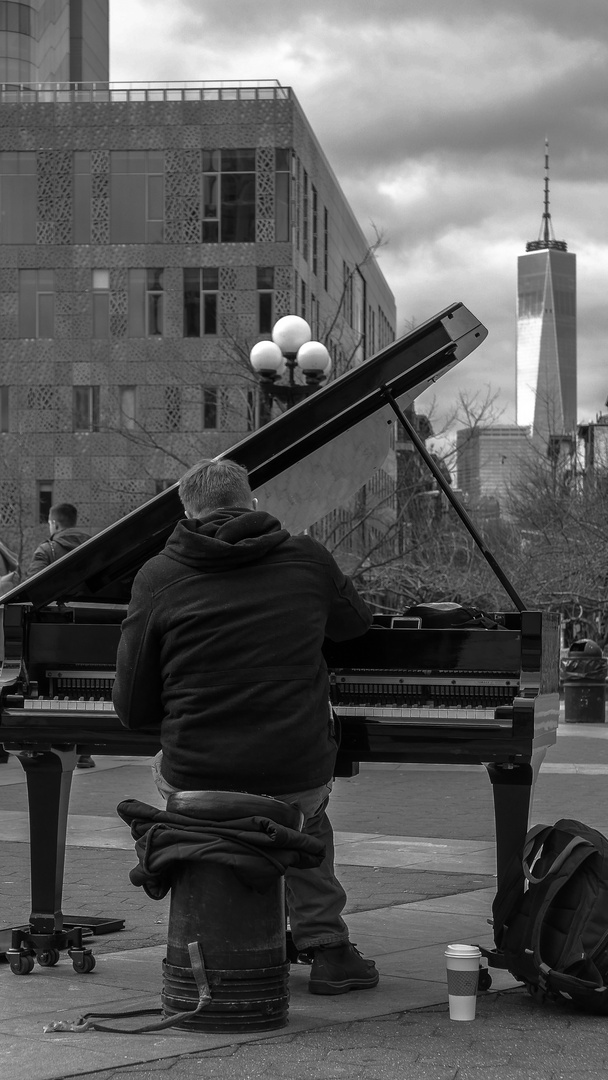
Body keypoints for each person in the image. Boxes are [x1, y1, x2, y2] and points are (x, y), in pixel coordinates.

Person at [113, 457, 379, 996]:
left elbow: (133, 710)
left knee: (188, 780)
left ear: (186, 512)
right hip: (295, 765)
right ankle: (327, 946)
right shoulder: (306, 558)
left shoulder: (158, 575)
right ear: (252, 501)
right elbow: (356, 624)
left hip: (197, 770)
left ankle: (226, 933)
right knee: (304, 816)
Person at [26, 503, 95, 769]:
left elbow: (32, 590)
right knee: (86, 690)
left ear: (54, 523)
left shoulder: (47, 550)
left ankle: (54, 744)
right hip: (91, 631)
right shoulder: (100, 548)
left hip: (53, 634)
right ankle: (85, 751)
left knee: (52, 691)